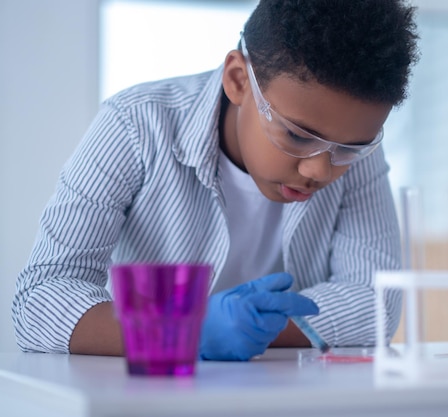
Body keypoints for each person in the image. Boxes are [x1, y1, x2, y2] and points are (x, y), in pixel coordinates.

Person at [12, 0, 419, 361]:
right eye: (297, 135)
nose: (320, 170)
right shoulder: (135, 125)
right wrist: (184, 332)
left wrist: (254, 325)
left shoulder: (351, 146)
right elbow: (40, 299)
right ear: (238, 80)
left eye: (349, 148)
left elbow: (375, 302)